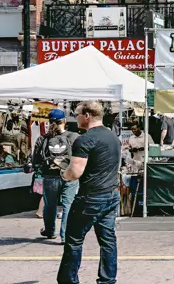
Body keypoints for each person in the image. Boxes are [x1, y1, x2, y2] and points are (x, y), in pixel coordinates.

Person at [58, 101, 122, 284]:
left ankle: (68, 280)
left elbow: (75, 172)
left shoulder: (84, 139)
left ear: (87, 115)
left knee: (74, 239)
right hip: (110, 194)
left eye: (77, 114)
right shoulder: (113, 137)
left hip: (91, 197)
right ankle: (107, 280)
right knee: (108, 240)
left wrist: (64, 174)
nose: (75, 118)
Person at [31, 109, 80, 241]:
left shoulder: (43, 138)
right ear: (64, 121)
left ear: (49, 122)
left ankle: (50, 231)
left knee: (49, 205)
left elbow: (35, 159)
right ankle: (65, 236)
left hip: (50, 176)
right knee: (68, 205)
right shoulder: (74, 136)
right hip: (70, 175)